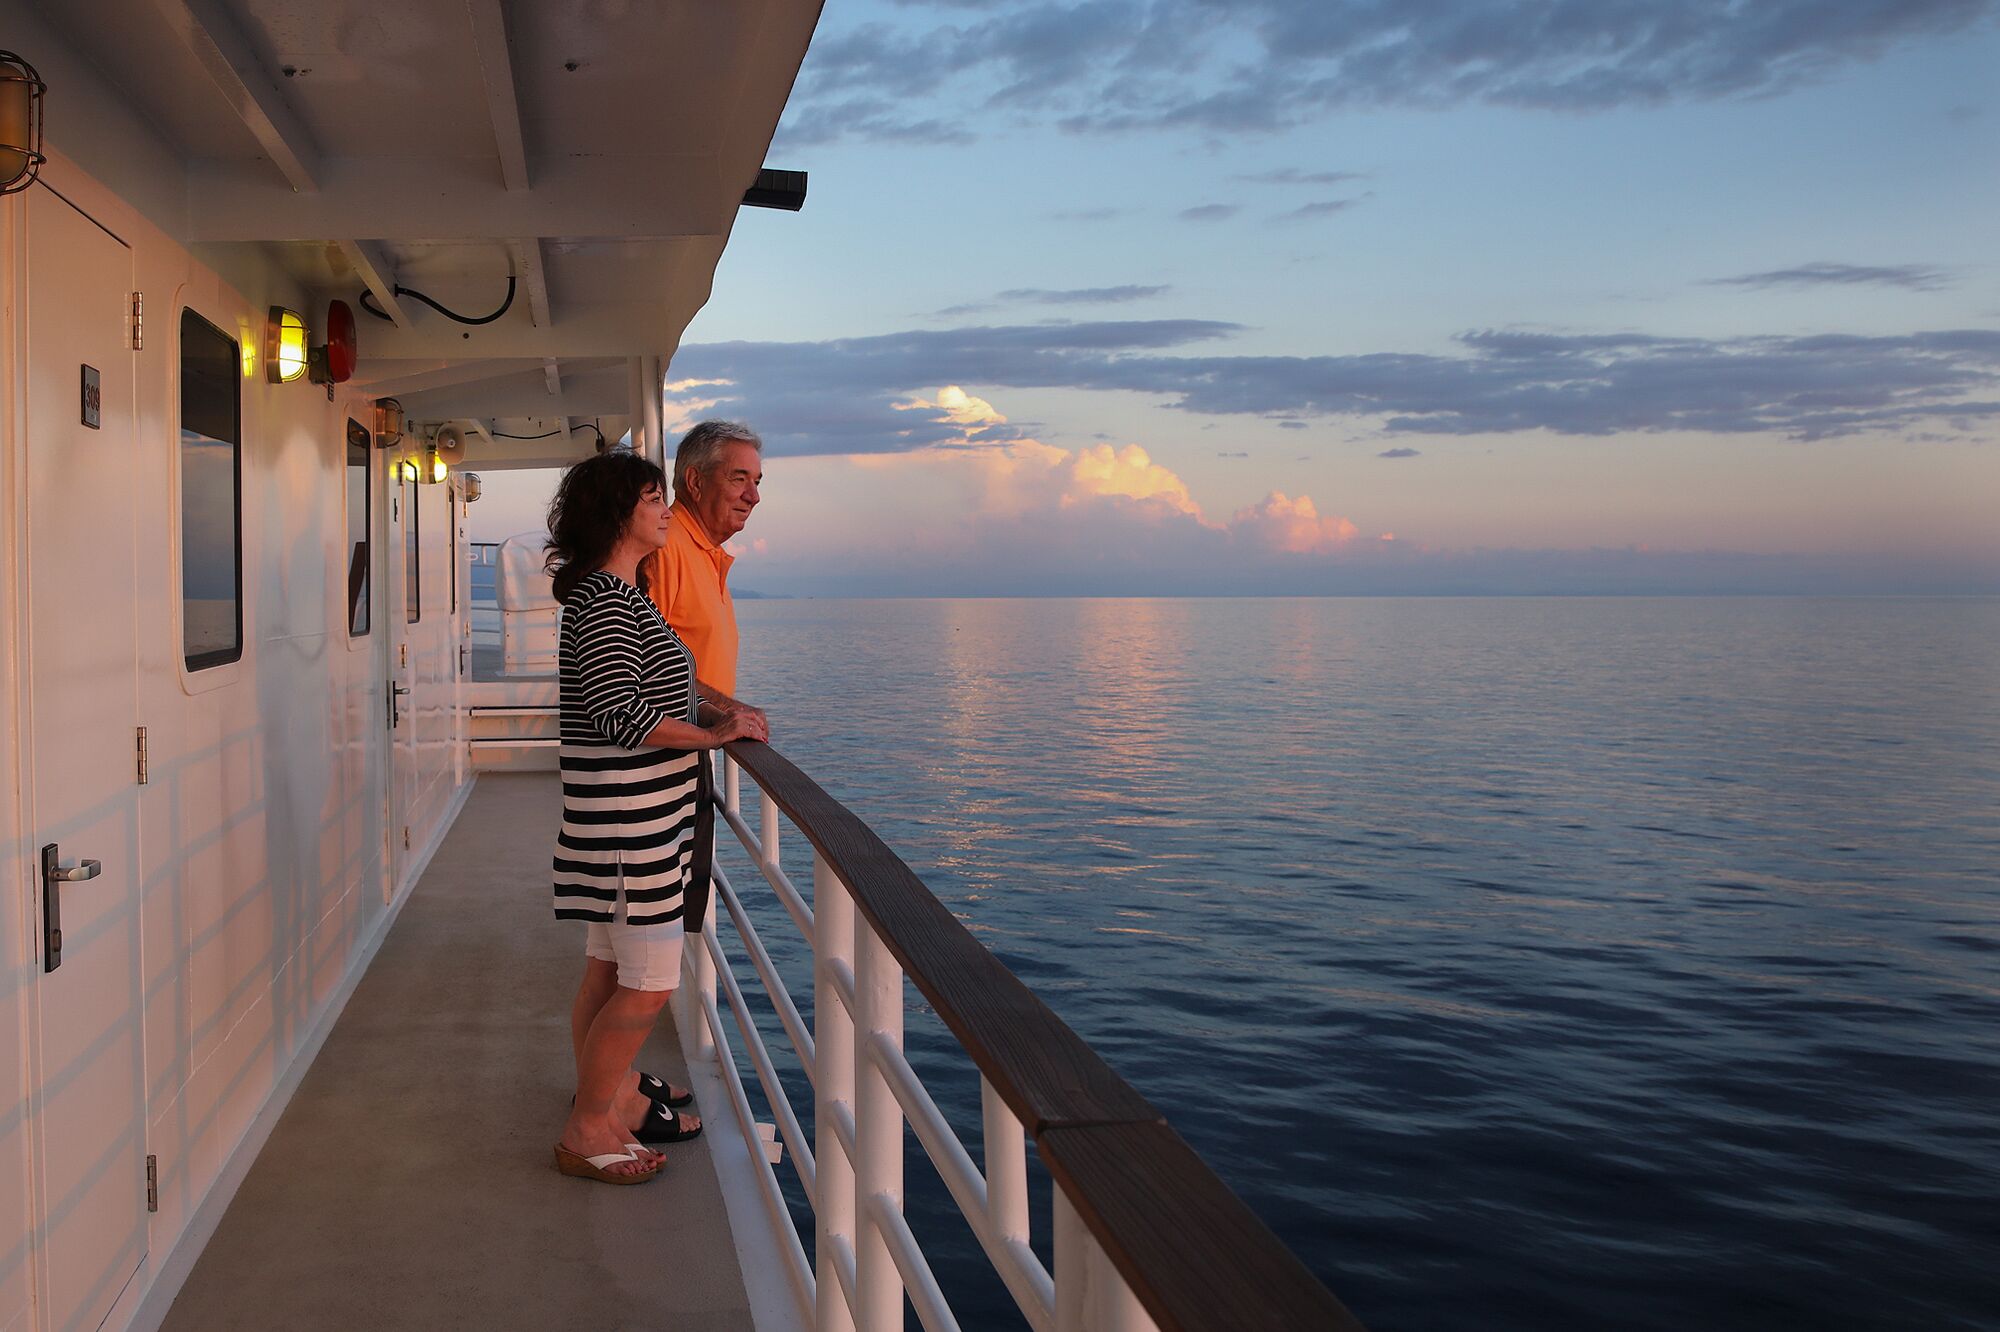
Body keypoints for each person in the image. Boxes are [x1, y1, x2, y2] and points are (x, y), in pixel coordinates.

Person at [543, 449, 767, 1185]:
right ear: (618, 514)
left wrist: (720, 708)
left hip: (631, 822)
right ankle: (586, 1129)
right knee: (650, 983)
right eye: (652, 498)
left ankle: (609, 1102)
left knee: (610, 974)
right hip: (626, 827)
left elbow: (660, 683)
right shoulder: (605, 602)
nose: (666, 510)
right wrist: (710, 736)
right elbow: (618, 712)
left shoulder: (620, 594)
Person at [642, 421, 768, 729]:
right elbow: (645, 665)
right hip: (668, 753)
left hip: (693, 743)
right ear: (696, 482)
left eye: (756, 482)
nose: (753, 496)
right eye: (739, 479)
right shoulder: (664, 547)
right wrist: (728, 709)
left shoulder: (704, 551)